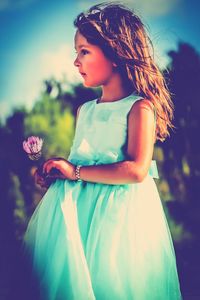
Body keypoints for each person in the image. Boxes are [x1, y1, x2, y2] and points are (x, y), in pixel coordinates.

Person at [23, 2, 182, 299]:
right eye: (76, 52)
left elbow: (136, 169)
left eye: (84, 51)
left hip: (118, 220)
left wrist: (76, 172)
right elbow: (78, 162)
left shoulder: (138, 108)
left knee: (113, 284)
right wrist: (59, 172)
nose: (76, 61)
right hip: (78, 214)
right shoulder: (84, 111)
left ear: (115, 54)